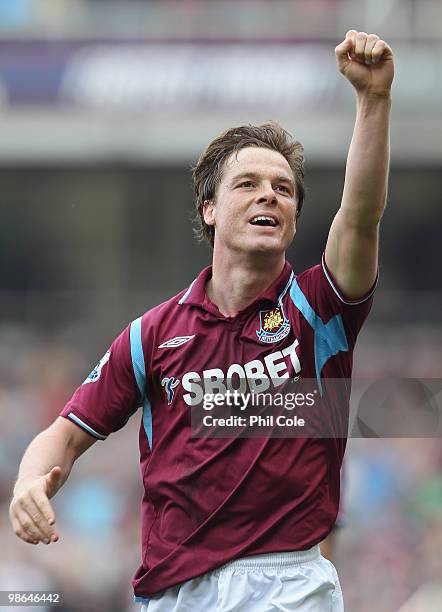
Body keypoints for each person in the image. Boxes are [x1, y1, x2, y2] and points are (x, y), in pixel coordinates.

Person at [9, 30, 394, 611]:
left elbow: (361, 215)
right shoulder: (151, 336)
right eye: (249, 184)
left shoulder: (320, 307)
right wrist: (28, 481)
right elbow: (64, 433)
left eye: (284, 189)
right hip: (174, 592)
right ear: (209, 210)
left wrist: (373, 102)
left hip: (289, 586)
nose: (270, 196)